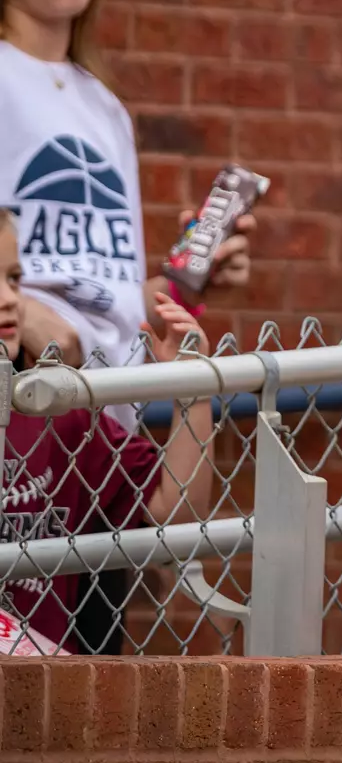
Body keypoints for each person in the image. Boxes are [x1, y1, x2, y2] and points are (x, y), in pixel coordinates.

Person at [0, 0, 253, 656]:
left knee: (90, 673)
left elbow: (105, 281)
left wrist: (177, 282)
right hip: (25, 422)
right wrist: (33, 315)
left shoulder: (106, 107)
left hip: (109, 430)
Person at [0, 209, 214, 654]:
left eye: (15, 279)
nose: (8, 299)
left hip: (44, 691)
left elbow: (174, 506)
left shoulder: (56, 415)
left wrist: (191, 387)